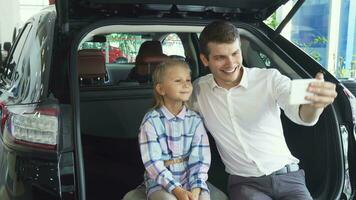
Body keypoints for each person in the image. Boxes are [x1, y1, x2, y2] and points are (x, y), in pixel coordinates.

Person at [189, 21, 338, 200]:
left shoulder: (270, 78)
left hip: (289, 178)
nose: (231, 63)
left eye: (235, 53)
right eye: (220, 57)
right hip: (245, 185)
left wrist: (315, 105)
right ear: (205, 60)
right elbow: (173, 117)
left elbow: (301, 114)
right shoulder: (198, 90)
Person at [139, 59, 211, 200]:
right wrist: (177, 191)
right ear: (161, 89)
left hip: (190, 178)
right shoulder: (151, 121)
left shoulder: (195, 120)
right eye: (178, 81)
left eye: (188, 80)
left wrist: (195, 190)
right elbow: (153, 163)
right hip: (160, 182)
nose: (185, 85)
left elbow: (201, 159)